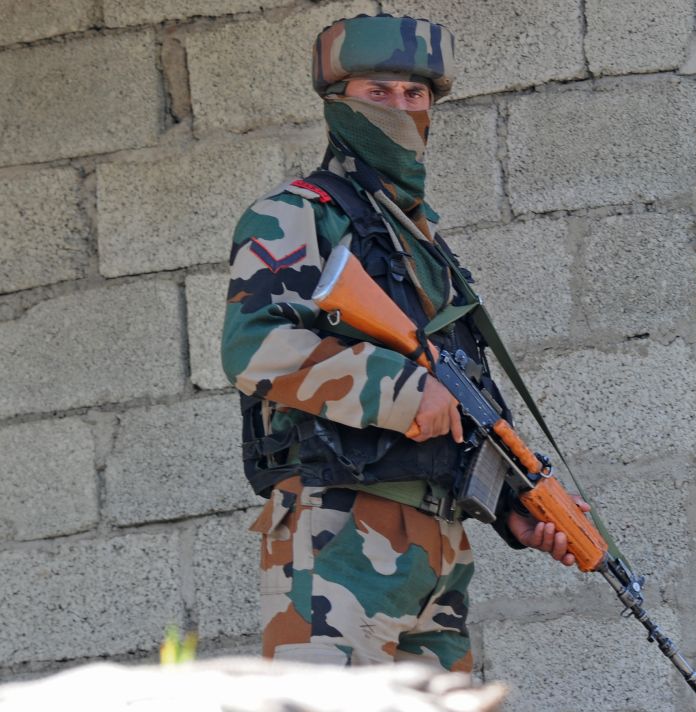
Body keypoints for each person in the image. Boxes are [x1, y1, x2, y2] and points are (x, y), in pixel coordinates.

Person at [221, 13, 586, 671]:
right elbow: (255, 347)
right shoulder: (296, 213)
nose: (399, 107)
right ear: (338, 104)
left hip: (435, 552)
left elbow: (464, 401)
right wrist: (399, 389)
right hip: (337, 537)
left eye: (414, 95)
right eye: (377, 93)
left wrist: (513, 508)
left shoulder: (422, 245)